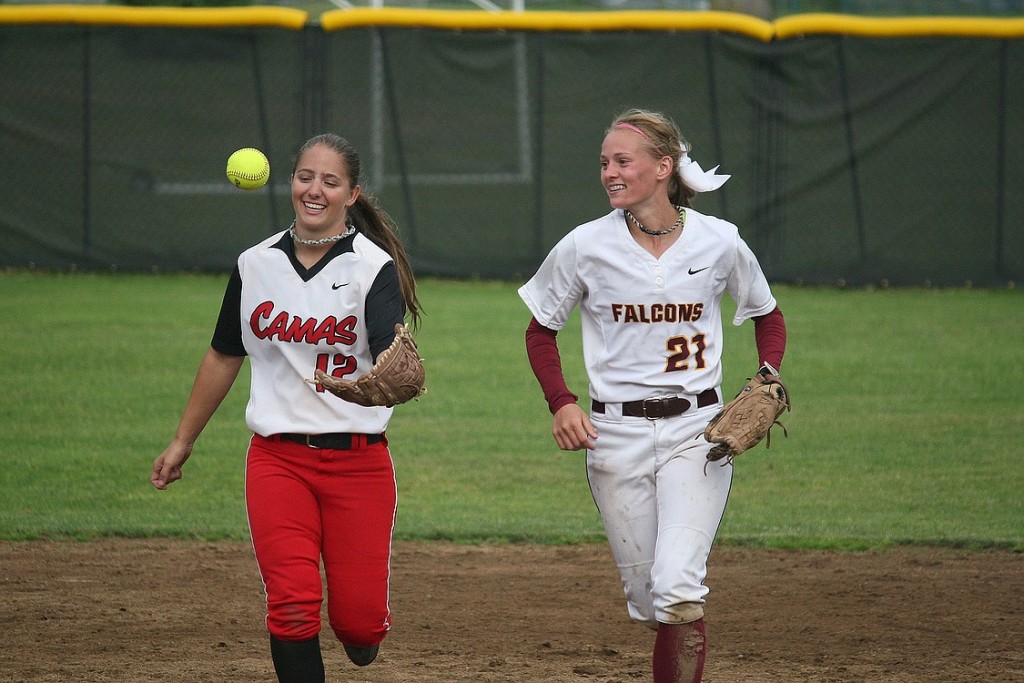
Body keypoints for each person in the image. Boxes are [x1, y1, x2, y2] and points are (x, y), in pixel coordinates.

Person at [518, 108, 786, 683]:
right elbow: (541, 330)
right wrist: (561, 401)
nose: (609, 172)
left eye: (622, 161)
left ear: (663, 167)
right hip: (614, 436)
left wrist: (767, 376)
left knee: (678, 587)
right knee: (649, 600)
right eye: (604, 163)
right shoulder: (585, 246)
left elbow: (767, 314)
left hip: (700, 432)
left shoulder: (719, 241)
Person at [151, 133, 422, 683]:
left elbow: (388, 343)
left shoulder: (373, 267)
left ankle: (363, 636)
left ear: (352, 193)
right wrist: (183, 440)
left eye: (330, 181)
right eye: (305, 177)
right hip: (278, 461)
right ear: (290, 182)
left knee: (360, 623)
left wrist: (386, 370)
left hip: (359, 463)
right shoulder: (255, 265)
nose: (314, 189)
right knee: (293, 607)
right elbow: (225, 354)